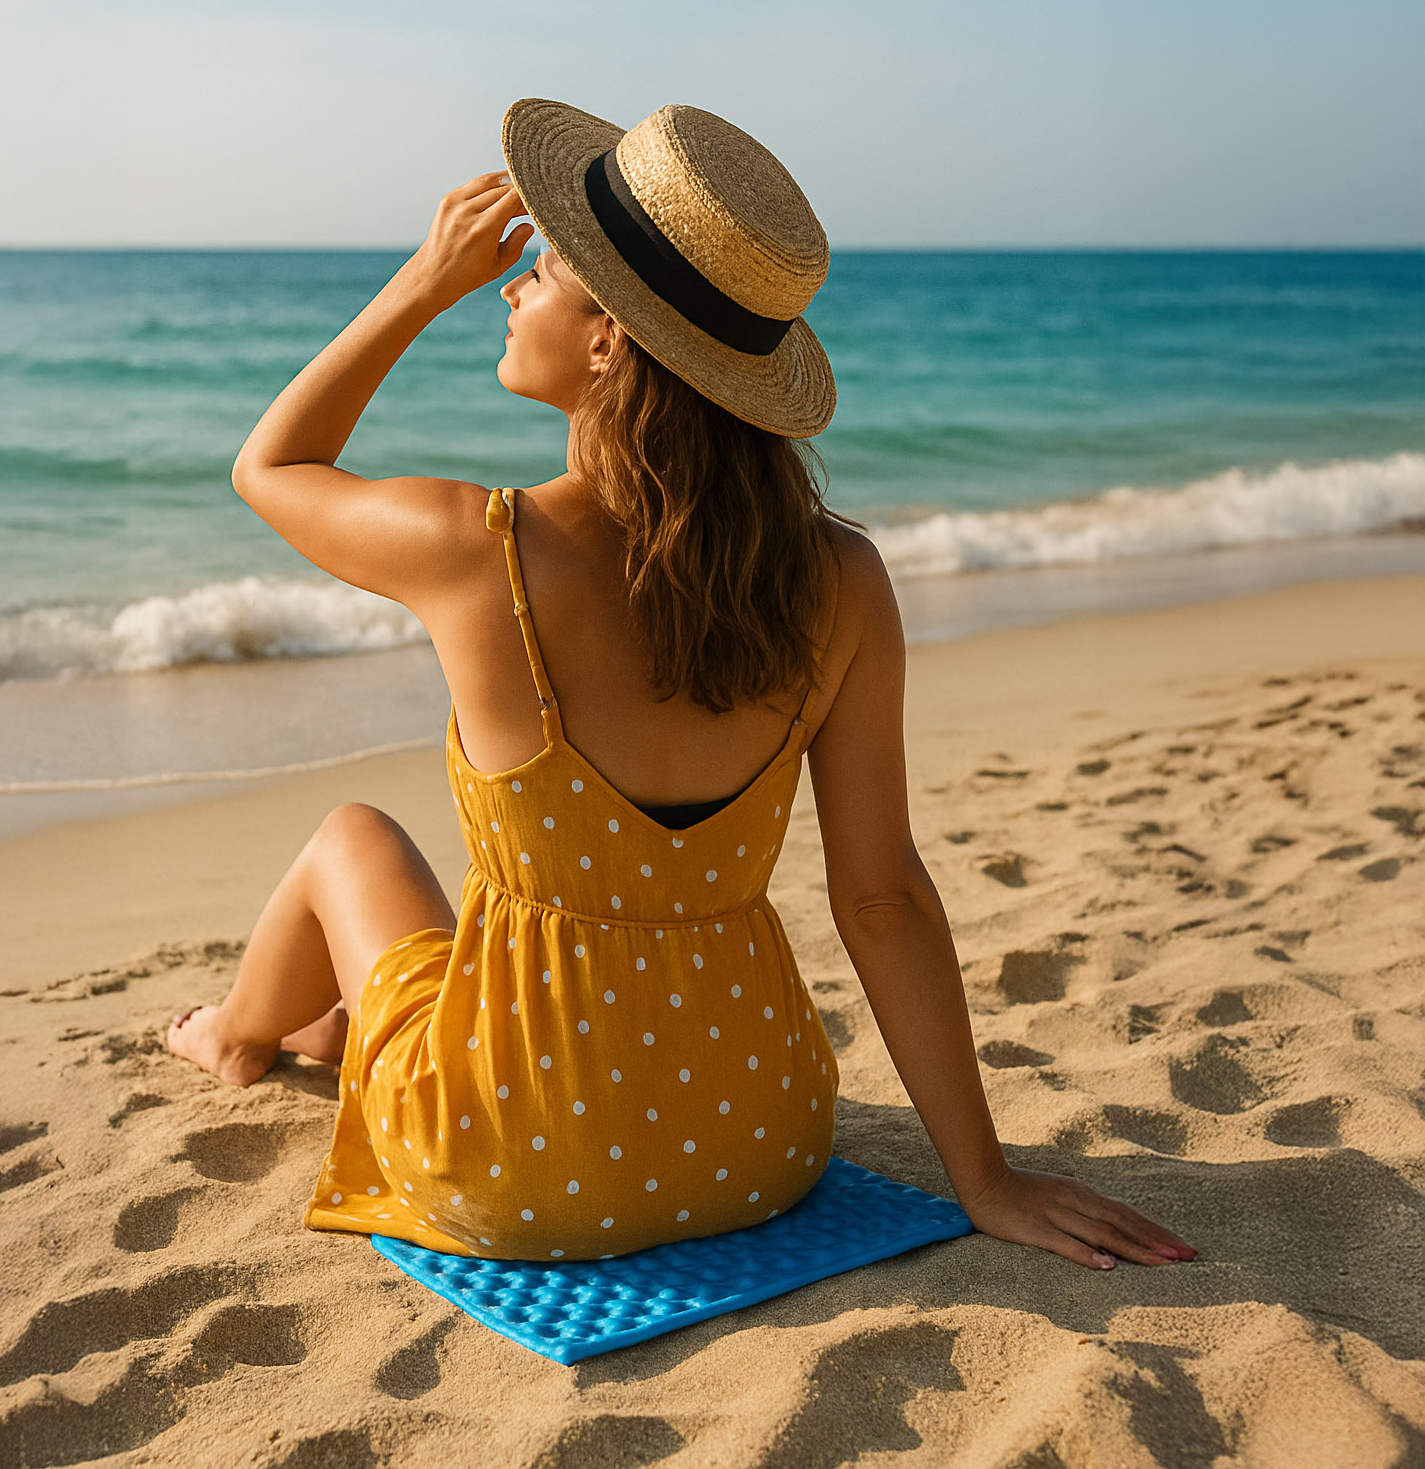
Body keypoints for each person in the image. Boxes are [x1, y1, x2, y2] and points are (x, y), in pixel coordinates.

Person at [167, 98, 1196, 1273]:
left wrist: (419, 282)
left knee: (352, 841)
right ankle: (302, 1029)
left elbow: (273, 465)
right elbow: (881, 900)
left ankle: (235, 1044)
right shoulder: (840, 577)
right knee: (441, 966)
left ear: (606, 340)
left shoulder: (477, 546)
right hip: (757, 1143)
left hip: (518, 1170)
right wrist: (985, 1179)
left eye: (541, 271)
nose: (511, 288)